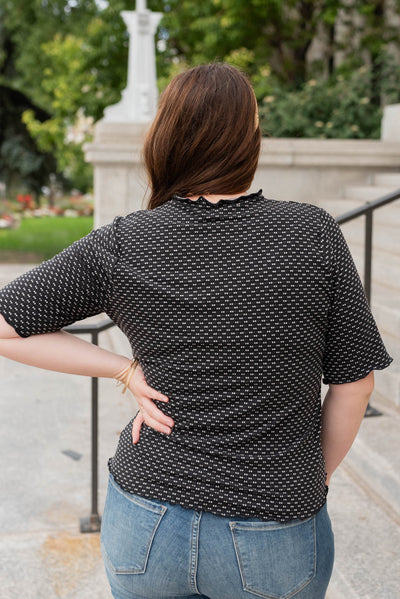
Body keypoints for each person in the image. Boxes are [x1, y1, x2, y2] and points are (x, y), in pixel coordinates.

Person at [0, 62, 393, 599]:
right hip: (273, 526)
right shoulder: (312, 234)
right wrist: (306, 479)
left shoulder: (125, 241)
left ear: (165, 137)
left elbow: (5, 325)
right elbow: (355, 384)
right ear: (250, 139)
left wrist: (123, 369)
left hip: (145, 519)